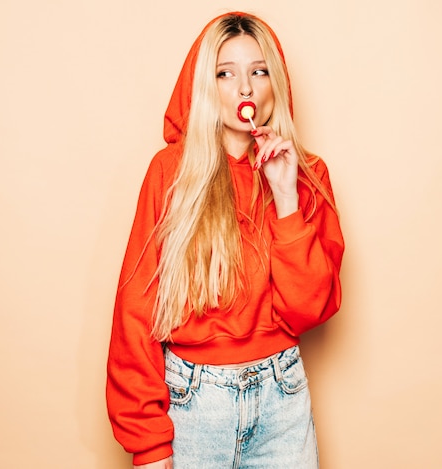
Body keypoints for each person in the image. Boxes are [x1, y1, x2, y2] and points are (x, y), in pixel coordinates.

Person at [106, 11, 345, 469]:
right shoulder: (169, 173)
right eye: (225, 73)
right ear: (205, 85)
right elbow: (135, 311)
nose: (245, 89)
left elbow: (310, 310)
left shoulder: (308, 177)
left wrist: (286, 197)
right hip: (193, 408)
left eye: (258, 72)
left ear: (276, 82)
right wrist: (149, 445)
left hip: (284, 401)